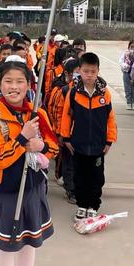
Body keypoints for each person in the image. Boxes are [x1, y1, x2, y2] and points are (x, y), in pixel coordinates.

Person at [0, 61, 58, 266]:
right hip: (7, 192)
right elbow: (0, 158)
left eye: (20, 81)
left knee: (29, 241)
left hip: (33, 189)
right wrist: (22, 139)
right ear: (0, 84)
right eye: (8, 81)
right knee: (5, 244)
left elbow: (54, 148)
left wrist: (40, 145)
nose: (14, 87)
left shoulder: (37, 115)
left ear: (29, 86)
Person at [60, 53, 118, 221]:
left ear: (98, 71)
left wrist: (109, 140)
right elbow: (66, 116)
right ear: (80, 71)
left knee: (97, 177)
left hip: (98, 145)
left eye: (93, 71)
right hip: (78, 144)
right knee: (79, 176)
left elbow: (111, 118)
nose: (89, 75)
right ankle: (82, 205)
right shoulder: (73, 93)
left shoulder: (104, 94)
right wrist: (66, 138)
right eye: (86, 71)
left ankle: (93, 205)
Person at [47, 57, 80, 204]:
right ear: (68, 74)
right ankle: (70, 189)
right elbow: (57, 111)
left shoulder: (92, 90)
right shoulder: (64, 90)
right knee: (68, 162)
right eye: (77, 73)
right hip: (67, 134)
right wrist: (59, 132)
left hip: (84, 135)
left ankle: (78, 188)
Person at [119, 40, 134, 110]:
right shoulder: (125, 53)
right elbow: (120, 61)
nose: (132, 48)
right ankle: (129, 102)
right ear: (129, 47)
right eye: (131, 47)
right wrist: (125, 65)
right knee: (127, 88)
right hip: (126, 72)